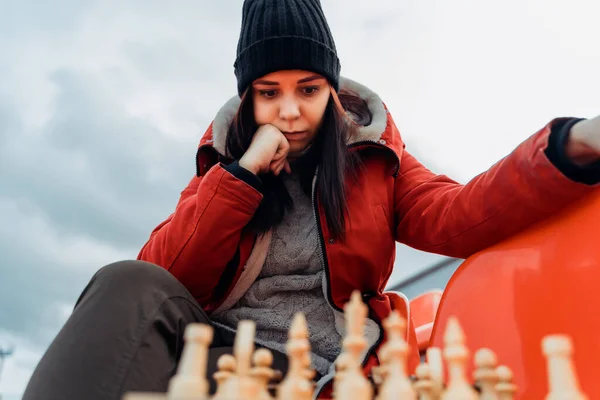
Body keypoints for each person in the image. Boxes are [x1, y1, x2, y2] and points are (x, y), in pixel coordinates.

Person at [22, 1, 600, 399]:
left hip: (332, 366)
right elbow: (166, 279)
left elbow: (459, 215)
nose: (291, 112)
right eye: (269, 94)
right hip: (225, 355)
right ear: (246, 99)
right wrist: (242, 177)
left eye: (308, 90)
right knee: (126, 280)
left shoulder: (373, 158)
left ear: (333, 90)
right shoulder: (219, 166)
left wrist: (570, 147)